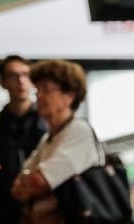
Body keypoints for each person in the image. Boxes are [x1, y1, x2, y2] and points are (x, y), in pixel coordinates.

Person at [10, 59, 98, 224]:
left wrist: (33, 182)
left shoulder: (79, 131)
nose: (39, 96)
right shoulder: (48, 138)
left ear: (69, 96)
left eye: (47, 89)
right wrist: (31, 182)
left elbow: (39, 181)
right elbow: (17, 188)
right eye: (37, 90)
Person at [0, 55, 46, 224]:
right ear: (3, 82)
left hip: (42, 210)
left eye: (25, 74)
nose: (21, 81)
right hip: (1, 212)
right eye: (13, 75)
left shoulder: (48, 121)